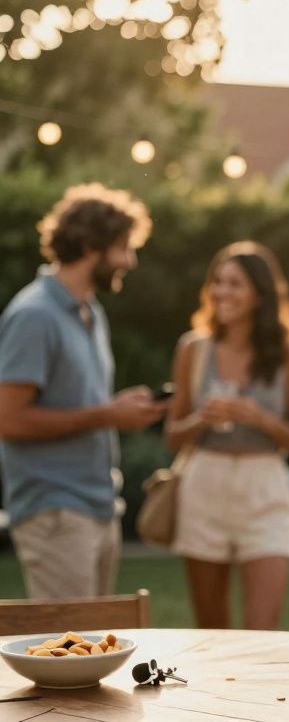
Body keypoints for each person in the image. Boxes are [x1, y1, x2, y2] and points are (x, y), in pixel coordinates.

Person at [0, 183, 166, 599]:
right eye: (123, 247)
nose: (130, 260)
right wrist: (108, 415)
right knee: (70, 652)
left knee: (95, 651)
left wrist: (119, 410)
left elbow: (85, 405)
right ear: (92, 245)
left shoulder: (90, 311)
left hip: (96, 504)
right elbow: (9, 419)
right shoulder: (34, 315)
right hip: (53, 509)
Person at [165, 241, 289, 630]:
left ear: (259, 295)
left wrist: (260, 418)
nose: (221, 292)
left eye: (234, 284)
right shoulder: (193, 349)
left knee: (261, 634)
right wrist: (202, 418)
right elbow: (173, 436)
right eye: (217, 282)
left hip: (264, 487)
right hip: (204, 484)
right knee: (212, 632)